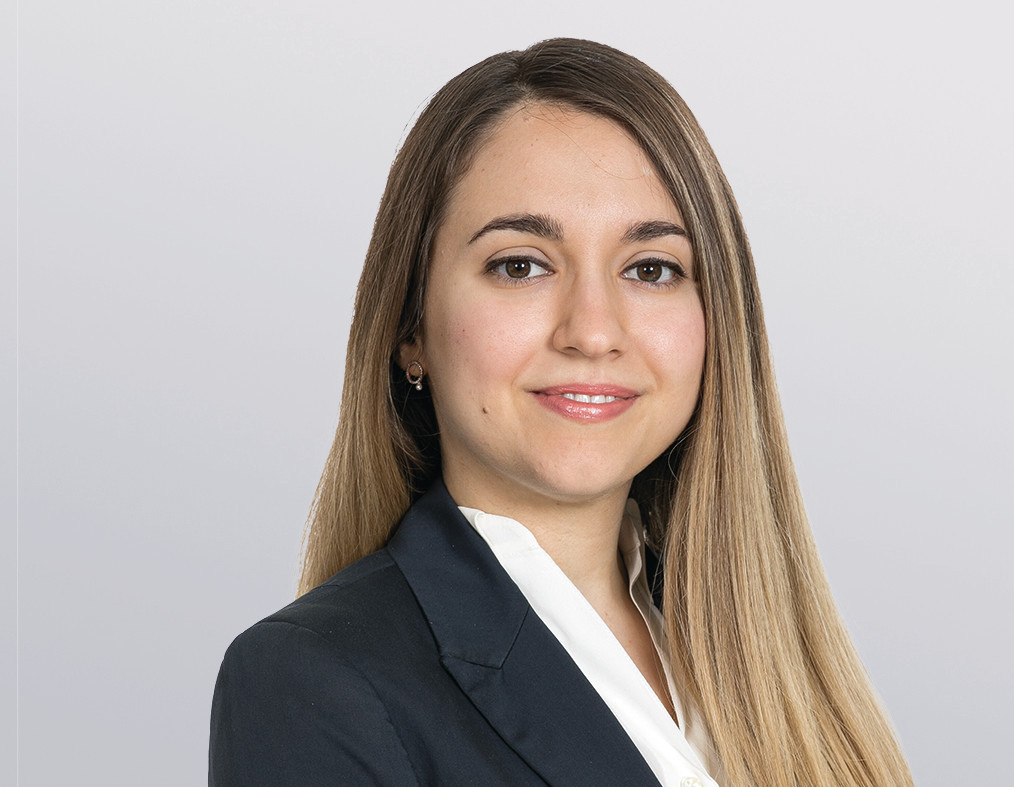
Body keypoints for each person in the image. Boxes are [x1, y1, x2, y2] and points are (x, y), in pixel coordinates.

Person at [209, 38, 913, 786]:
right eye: (521, 265)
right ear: (411, 325)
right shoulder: (311, 682)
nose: (593, 331)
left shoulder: (786, 676)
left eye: (651, 269)